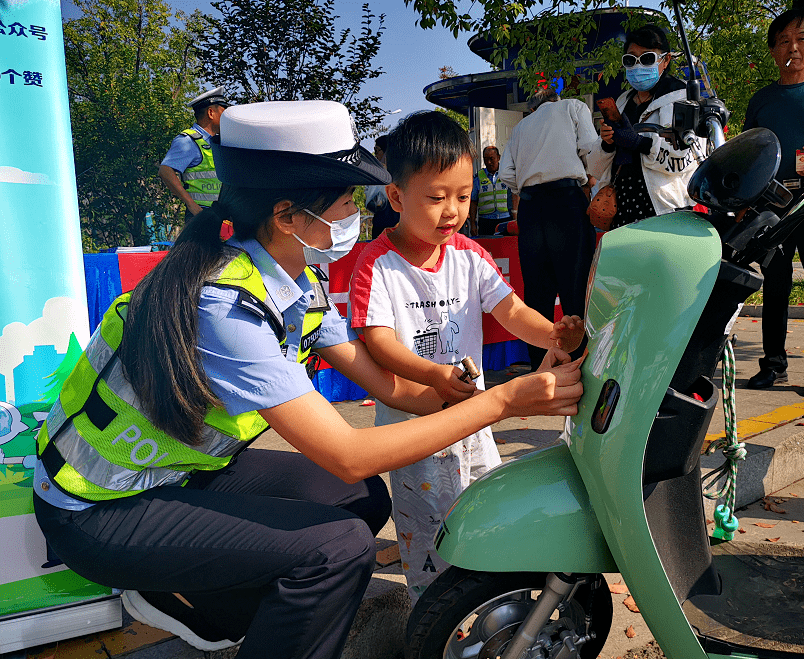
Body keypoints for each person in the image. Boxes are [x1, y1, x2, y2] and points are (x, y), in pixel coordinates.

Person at [33, 100, 584, 659]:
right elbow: (348, 450)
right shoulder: (226, 307)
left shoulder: (299, 281)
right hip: (97, 507)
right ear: (288, 215)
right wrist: (506, 403)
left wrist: (460, 394)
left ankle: (211, 610)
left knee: (362, 499)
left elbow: (387, 388)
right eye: (345, 201)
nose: (357, 211)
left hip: (177, 472)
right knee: (339, 548)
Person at [348, 111, 585, 604]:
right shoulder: (377, 263)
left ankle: (488, 600)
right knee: (429, 537)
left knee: (484, 510)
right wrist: (434, 374)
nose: (452, 210)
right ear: (396, 197)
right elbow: (380, 342)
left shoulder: (469, 255)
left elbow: (512, 310)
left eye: (463, 195)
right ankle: (430, 617)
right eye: (436, 198)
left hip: (474, 423)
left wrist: (555, 334)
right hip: (413, 430)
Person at [743, 7, 804, 397]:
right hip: (774, 204)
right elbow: (751, 152)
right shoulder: (762, 100)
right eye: (783, 40)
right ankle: (773, 366)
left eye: (801, 38)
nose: (793, 47)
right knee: (775, 286)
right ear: (772, 51)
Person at [499, 87, 598, 370]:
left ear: (533, 109)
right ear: (554, 99)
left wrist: (531, 189)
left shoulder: (520, 127)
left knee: (537, 291)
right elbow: (590, 148)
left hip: (531, 208)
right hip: (567, 201)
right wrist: (587, 179)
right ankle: (579, 364)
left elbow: (507, 173)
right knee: (575, 286)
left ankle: (541, 366)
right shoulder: (572, 107)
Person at [587, 24, 702, 230]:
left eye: (647, 58)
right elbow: (594, 168)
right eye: (631, 60)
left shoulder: (683, 100)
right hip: (621, 208)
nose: (638, 66)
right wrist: (607, 144)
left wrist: (640, 143)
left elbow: (685, 160)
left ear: (665, 60)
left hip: (663, 210)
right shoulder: (622, 103)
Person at [158, 86, 230, 223]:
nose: (226, 117)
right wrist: (192, 206)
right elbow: (165, 171)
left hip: (221, 215)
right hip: (201, 215)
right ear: (210, 113)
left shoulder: (218, 141)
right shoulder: (188, 141)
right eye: (223, 111)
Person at [469, 145, 518, 236]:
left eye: (492, 159)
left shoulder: (507, 174)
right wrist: (473, 224)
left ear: (498, 158)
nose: (488, 162)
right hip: (486, 222)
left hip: (505, 219)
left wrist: (515, 218)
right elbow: (473, 202)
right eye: (485, 159)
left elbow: (515, 195)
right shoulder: (478, 177)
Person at [364, 133, 400, 239]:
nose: (376, 155)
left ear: (384, 151)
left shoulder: (379, 173)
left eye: (377, 150)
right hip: (399, 223)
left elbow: (371, 201)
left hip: (383, 222)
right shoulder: (402, 170)